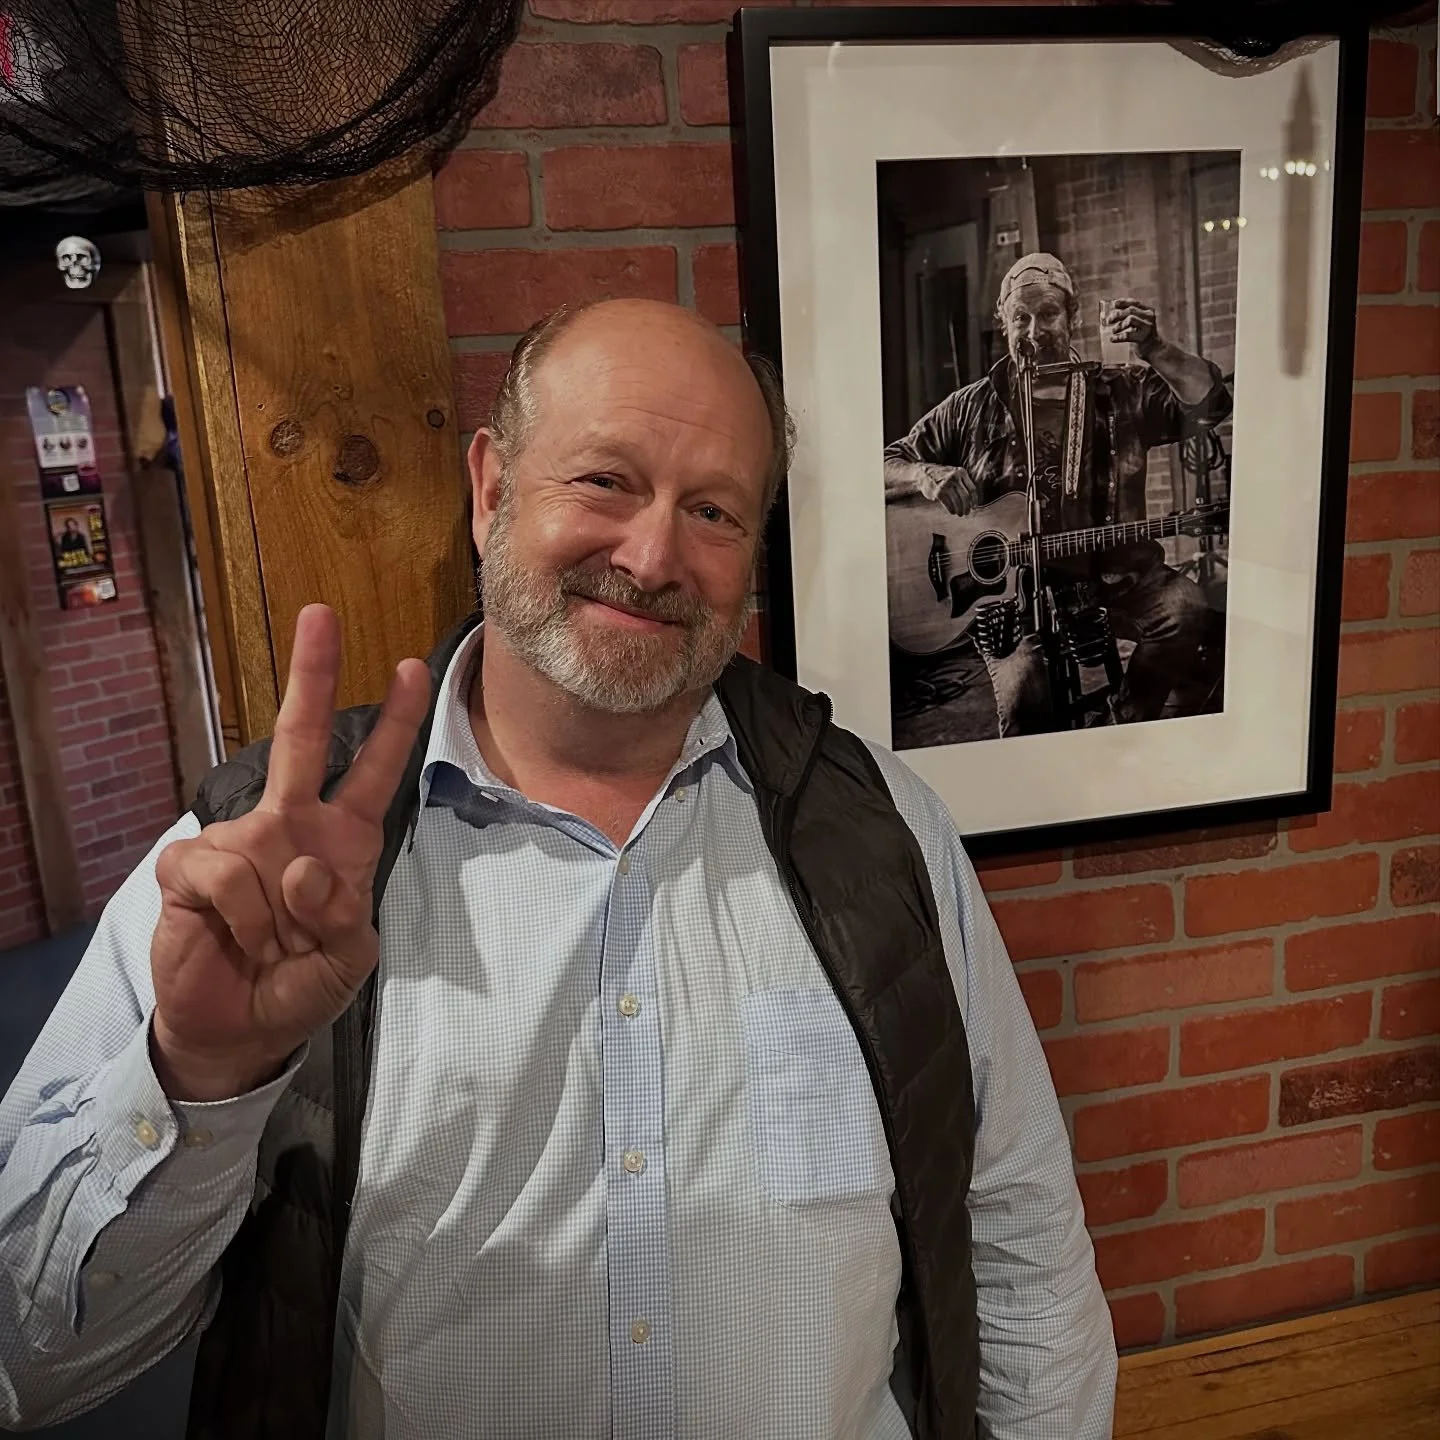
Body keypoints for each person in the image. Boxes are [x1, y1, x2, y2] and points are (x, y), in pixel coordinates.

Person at [0, 300, 1114, 1439]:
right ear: (491, 488)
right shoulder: (254, 860)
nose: (652, 557)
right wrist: (197, 1079)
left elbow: (1021, 1241)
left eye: (714, 510)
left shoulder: (885, 832)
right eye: (604, 481)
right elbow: (29, 1364)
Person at [884, 252, 1233, 734]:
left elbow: (1212, 405)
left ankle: (1118, 729)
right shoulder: (970, 407)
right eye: (1021, 318)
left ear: (1072, 316)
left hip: (1116, 577)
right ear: (1003, 322)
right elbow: (882, 464)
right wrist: (924, 474)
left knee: (1185, 608)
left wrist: (1154, 347)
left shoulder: (1119, 390)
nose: (1035, 331)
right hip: (1007, 600)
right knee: (1025, 700)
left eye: (1048, 314)